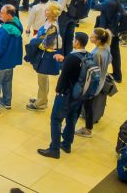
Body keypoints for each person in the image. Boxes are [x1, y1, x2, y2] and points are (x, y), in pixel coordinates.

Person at [37, 31, 90, 159]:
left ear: (77, 42)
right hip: (78, 95)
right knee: (71, 119)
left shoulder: (72, 58)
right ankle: (66, 144)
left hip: (65, 94)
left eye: (73, 39)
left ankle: (54, 149)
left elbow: (64, 76)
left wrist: (58, 89)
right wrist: (64, 59)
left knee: (56, 120)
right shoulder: (87, 55)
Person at [75, 28, 112, 138]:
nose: (90, 38)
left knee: (85, 105)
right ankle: (87, 127)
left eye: (92, 37)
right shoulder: (107, 48)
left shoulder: (97, 54)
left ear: (98, 40)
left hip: (92, 84)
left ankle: (87, 129)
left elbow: (92, 70)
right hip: (100, 80)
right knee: (88, 105)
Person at [26, 2, 63, 112]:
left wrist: (34, 42)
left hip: (46, 55)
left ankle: (41, 103)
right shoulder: (49, 22)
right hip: (44, 54)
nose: (45, 11)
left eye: (47, 10)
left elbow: (45, 44)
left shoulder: (53, 26)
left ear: (52, 13)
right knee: (42, 79)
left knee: (42, 79)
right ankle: (41, 99)